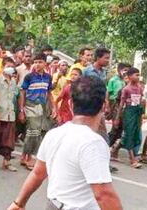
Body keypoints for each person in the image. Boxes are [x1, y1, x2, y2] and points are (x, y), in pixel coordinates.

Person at [8, 76, 123, 210]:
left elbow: (37, 173)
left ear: (70, 104)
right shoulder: (93, 143)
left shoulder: (54, 134)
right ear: (104, 106)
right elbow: (104, 195)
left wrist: (18, 203)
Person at [19, 53, 55, 170]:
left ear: (45, 63)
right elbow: (23, 93)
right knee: (33, 132)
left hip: (42, 106)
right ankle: (28, 158)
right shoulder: (29, 77)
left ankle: (24, 156)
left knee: (37, 132)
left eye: (40, 62)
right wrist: (21, 109)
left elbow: (49, 93)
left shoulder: (48, 77)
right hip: (31, 105)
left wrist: (54, 108)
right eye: (35, 62)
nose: (37, 64)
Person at [0, 57, 20, 172]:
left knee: (9, 139)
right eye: (8, 66)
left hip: (10, 113)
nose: (10, 69)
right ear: (2, 67)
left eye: (12, 67)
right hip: (0, 112)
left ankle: (6, 161)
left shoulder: (13, 81)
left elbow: (14, 96)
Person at [110, 67, 144, 168]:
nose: (138, 77)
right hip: (128, 113)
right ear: (129, 77)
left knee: (133, 135)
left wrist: (141, 115)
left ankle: (114, 150)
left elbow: (140, 102)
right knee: (129, 134)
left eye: (139, 75)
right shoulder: (126, 89)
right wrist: (117, 118)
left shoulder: (139, 88)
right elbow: (121, 105)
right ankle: (132, 160)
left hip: (136, 113)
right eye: (136, 75)